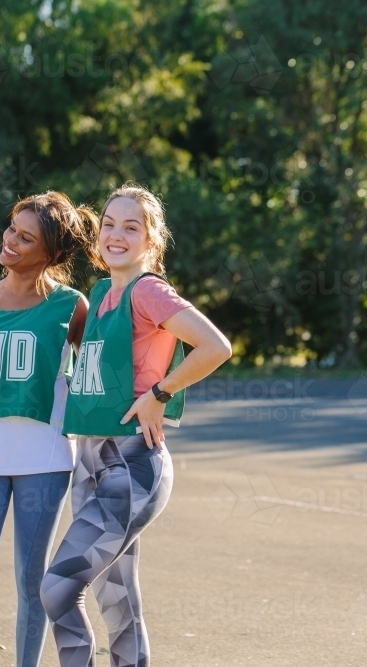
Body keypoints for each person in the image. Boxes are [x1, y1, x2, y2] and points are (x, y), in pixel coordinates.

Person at [40, 184, 232, 667]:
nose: (115, 234)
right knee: (116, 601)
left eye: (131, 227)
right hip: (92, 462)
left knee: (58, 588)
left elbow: (216, 346)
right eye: (108, 224)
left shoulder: (148, 291)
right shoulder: (103, 292)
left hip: (132, 465)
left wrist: (159, 395)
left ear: (151, 240)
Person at [0, 192, 95, 667]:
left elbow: (103, 370)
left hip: (45, 458)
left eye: (25, 237)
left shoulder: (72, 307)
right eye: (12, 227)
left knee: (33, 585)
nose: (10, 240)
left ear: (51, 255)